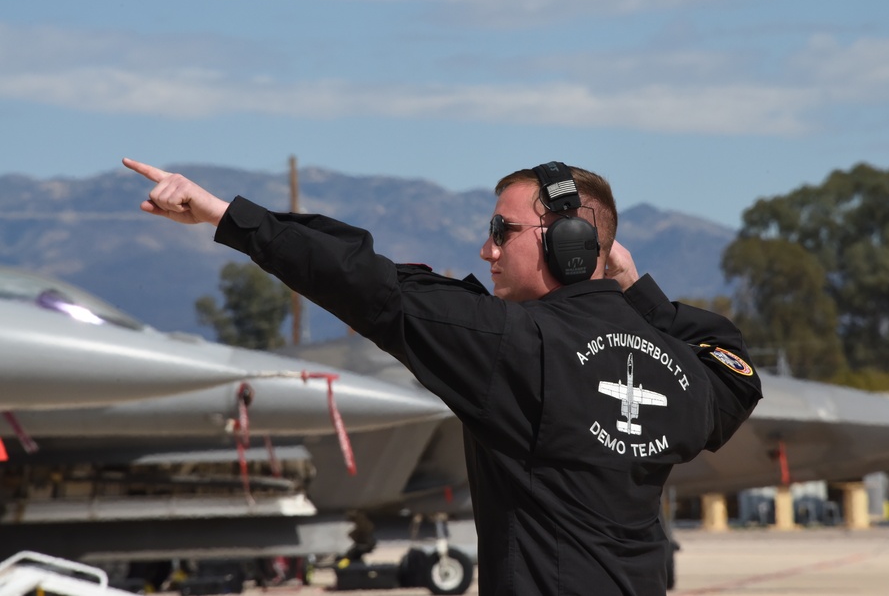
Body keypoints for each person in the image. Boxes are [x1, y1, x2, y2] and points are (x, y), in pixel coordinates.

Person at [123, 157, 761, 596]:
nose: (487, 250)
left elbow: (368, 283)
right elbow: (734, 373)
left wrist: (223, 215)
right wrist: (629, 282)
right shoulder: (672, 367)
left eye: (501, 231)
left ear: (565, 244)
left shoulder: (517, 346)